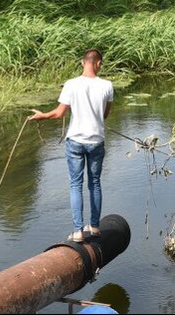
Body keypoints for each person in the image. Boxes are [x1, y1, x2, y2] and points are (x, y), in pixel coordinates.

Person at [29, 49, 114, 243]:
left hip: (75, 141)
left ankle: (77, 231)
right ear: (99, 63)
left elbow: (59, 114)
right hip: (96, 141)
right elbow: (105, 115)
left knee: (76, 185)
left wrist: (41, 115)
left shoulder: (71, 84)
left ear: (82, 63)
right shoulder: (107, 86)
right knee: (95, 183)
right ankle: (94, 227)